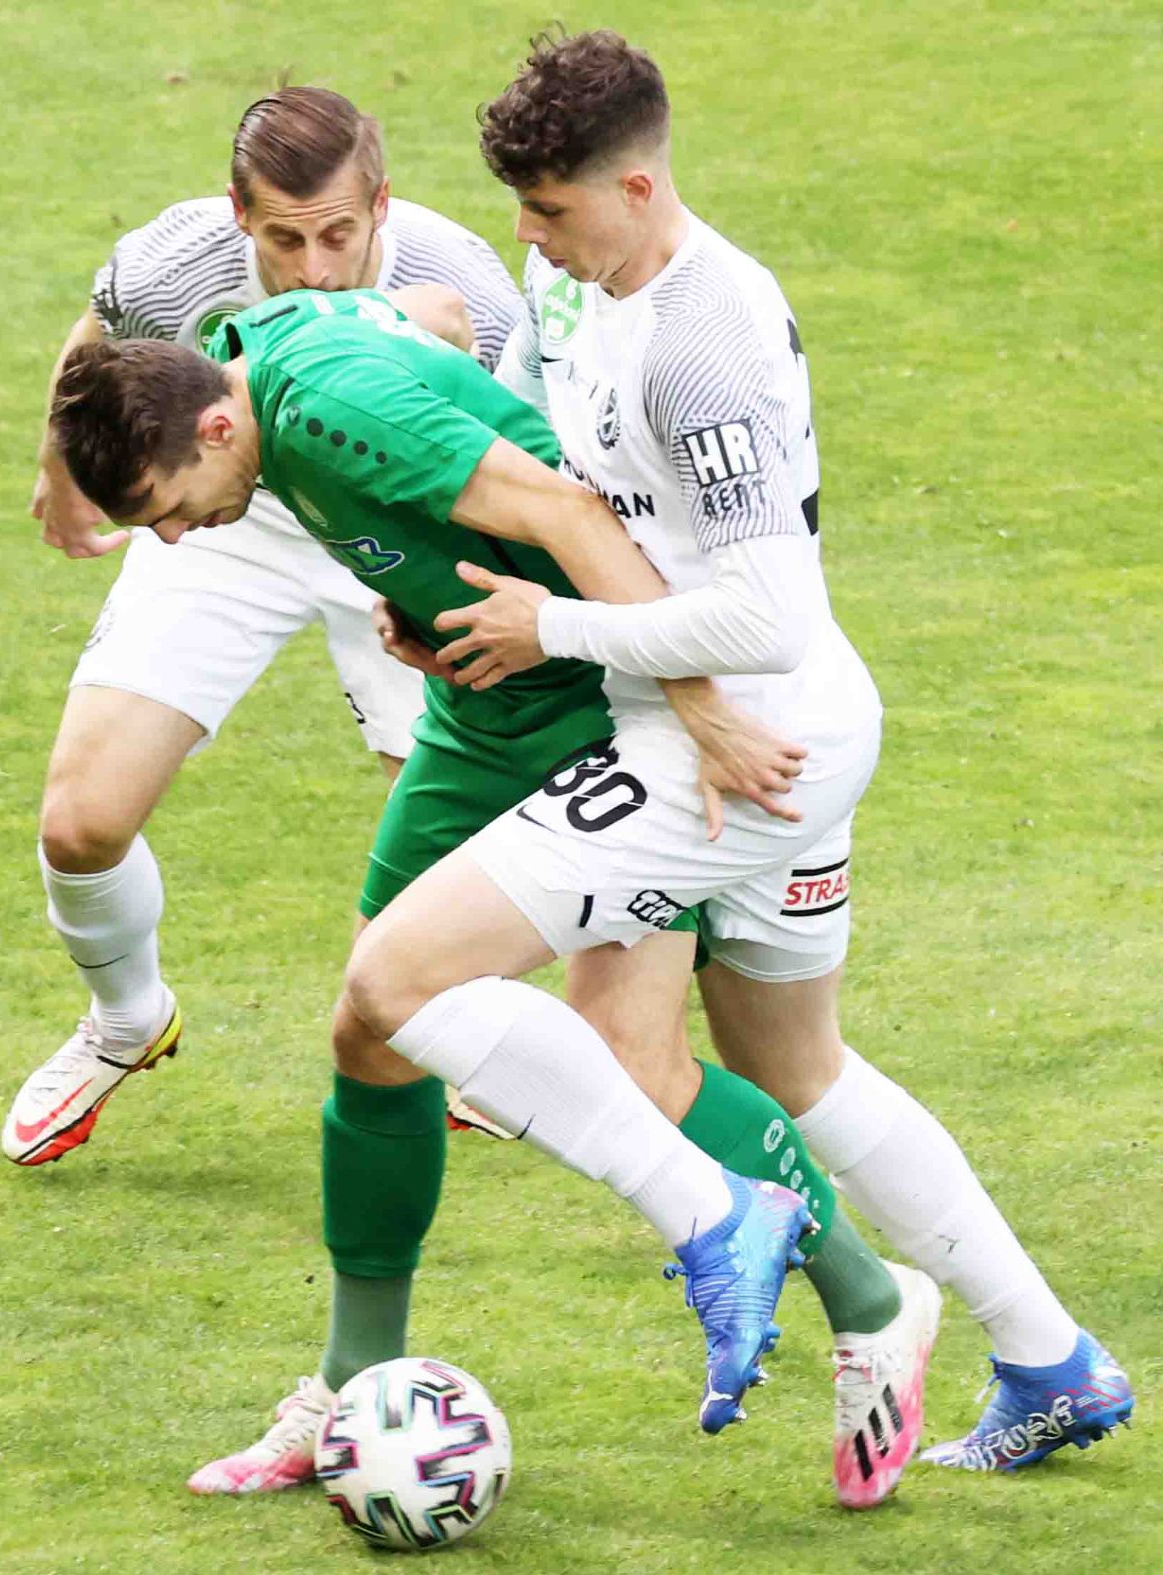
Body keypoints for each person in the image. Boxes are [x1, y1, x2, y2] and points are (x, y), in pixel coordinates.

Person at [47, 282, 940, 1509]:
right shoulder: (239, 363)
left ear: (212, 429)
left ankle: (871, 1304)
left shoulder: (333, 409)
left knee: (631, 1062)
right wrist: (417, 594)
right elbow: (439, 337)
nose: (172, 538)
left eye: (164, 509)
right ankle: (346, 1384)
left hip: (596, 704)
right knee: (373, 1030)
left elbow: (568, 511)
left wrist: (695, 707)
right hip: (480, 703)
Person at [428, 30, 1130, 1476]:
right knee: (790, 1064)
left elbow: (764, 614)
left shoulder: (704, 343)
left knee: (523, 1015)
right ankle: (1050, 1355)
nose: (527, 236)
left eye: (549, 208)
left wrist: (552, 627)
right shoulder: (572, 289)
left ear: (635, 186)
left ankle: (851, 1294)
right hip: (731, 732)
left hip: (754, 744)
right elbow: (524, 444)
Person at [2, 87, 526, 1166]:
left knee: (451, 841)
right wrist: (59, 467)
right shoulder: (176, 263)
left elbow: (519, 462)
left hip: (394, 524)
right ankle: (126, 1018)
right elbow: (99, 345)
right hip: (216, 501)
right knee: (79, 823)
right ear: (240, 214)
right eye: (284, 239)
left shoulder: (467, 284)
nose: (316, 268)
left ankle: (459, 1042)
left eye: (339, 233)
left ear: (381, 204)